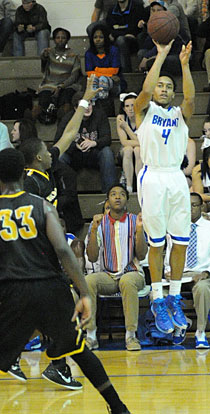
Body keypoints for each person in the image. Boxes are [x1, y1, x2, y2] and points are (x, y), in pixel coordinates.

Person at [0, 148, 131, 414]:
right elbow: (63, 250)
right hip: (50, 289)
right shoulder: (42, 206)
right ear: (24, 174)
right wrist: (83, 292)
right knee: (79, 349)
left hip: (12, 291)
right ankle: (119, 408)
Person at [134, 40, 195, 334]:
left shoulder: (179, 116)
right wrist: (159, 56)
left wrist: (183, 65)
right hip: (153, 177)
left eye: (169, 86)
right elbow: (144, 92)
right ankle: (157, 298)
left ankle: (173, 297)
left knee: (181, 241)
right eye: (161, 85)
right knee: (157, 244)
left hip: (176, 178)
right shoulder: (142, 112)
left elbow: (192, 101)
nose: (165, 89)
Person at [85, 184, 148, 351]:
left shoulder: (136, 220)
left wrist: (140, 232)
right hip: (109, 275)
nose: (118, 197)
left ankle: (131, 336)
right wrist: (92, 230)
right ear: (108, 200)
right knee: (88, 281)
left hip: (133, 273)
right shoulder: (100, 222)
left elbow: (141, 255)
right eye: (113, 194)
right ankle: (91, 335)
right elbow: (91, 257)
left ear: (127, 199)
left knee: (127, 281)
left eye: (121, 194)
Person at [164, 192, 210, 348]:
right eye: (187, 206)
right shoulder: (174, 229)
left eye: (194, 205)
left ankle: (200, 332)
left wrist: (205, 274)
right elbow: (168, 258)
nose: (190, 209)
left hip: (202, 274)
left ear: (201, 206)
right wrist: (168, 271)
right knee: (157, 293)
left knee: (203, 288)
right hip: (180, 274)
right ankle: (180, 325)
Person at [54, 90, 117, 194]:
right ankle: (62, 193)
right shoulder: (67, 118)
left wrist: (94, 143)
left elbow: (107, 138)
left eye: (89, 104)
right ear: (76, 109)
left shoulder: (100, 115)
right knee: (60, 156)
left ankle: (109, 193)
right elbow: (57, 141)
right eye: (84, 106)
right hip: (74, 155)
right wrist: (74, 146)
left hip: (94, 154)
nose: (87, 108)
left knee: (107, 152)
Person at [85, 24, 122, 103]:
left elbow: (114, 71)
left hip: (114, 84)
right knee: (94, 79)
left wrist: (97, 70)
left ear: (106, 38)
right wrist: (108, 74)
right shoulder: (89, 53)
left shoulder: (113, 50)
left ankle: (102, 98)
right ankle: (95, 100)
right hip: (98, 81)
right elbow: (89, 73)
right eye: (95, 37)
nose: (98, 40)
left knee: (102, 79)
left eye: (101, 37)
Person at [106, 0, 146, 72]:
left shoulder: (137, 7)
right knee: (119, 40)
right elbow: (109, 29)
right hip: (117, 41)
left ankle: (126, 72)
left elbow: (136, 28)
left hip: (134, 41)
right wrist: (124, 34)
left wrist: (116, 33)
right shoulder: (111, 10)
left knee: (121, 40)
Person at [116, 92, 143, 193]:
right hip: (125, 152)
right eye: (127, 106)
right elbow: (124, 142)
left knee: (137, 150)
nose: (130, 108)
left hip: (141, 150)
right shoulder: (121, 118)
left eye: (133, 105)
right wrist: (138, 142)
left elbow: (143, 142)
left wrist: (126, 127)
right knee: (128, 149)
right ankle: (129, 186)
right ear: (124, 108)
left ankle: (140, 185)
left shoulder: (143, 117)